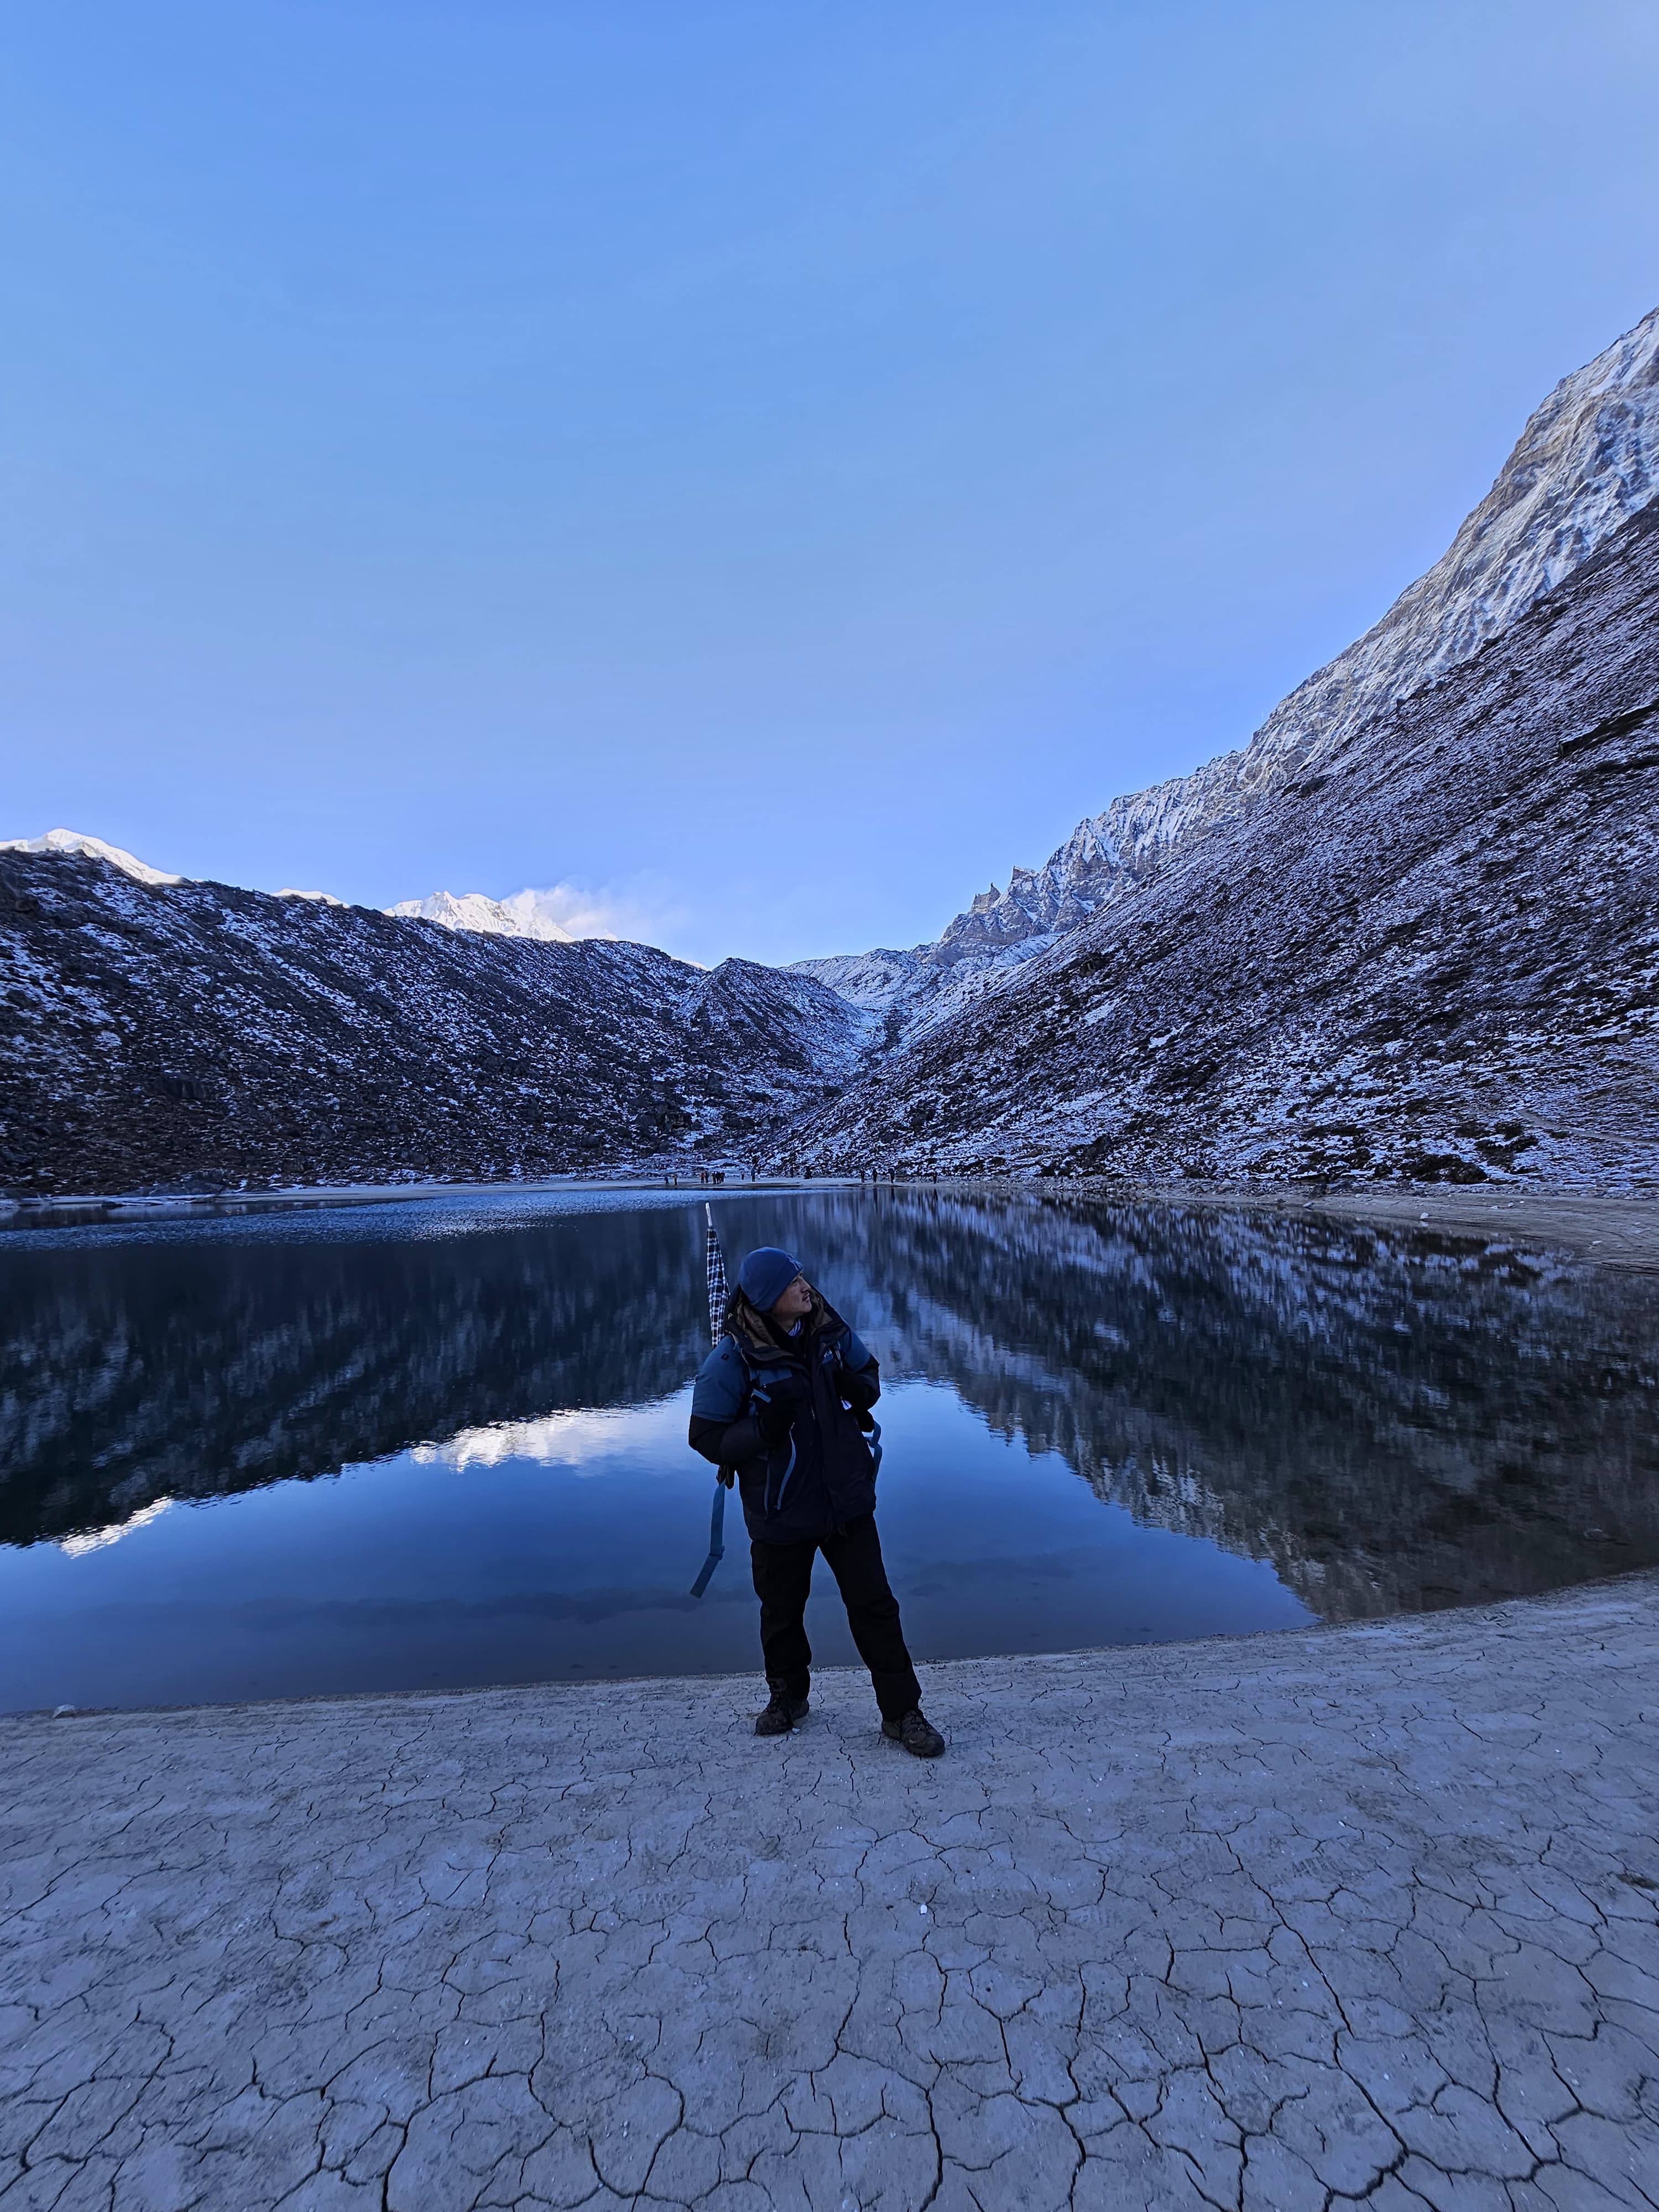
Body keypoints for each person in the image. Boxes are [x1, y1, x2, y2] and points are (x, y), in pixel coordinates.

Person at [688, 1245, 945, 1756]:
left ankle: (901, 1713)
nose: (806, 1287)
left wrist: (860, 1388)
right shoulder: (733, 1356)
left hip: (846, 1501)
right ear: (765, 1299)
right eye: (792, 1283)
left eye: (802, 1277)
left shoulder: (829, 1329)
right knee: (781, 1612)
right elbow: (706, 1436)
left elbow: (868, 1376)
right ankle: (787, 1697)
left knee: (875, 1606)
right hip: (779, 1510)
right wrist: (762, 1428)